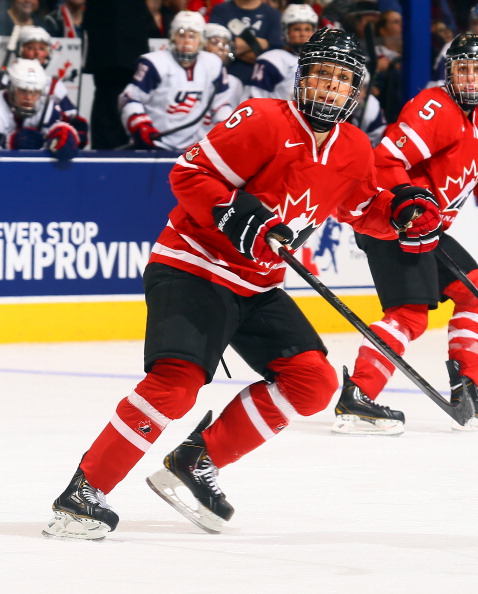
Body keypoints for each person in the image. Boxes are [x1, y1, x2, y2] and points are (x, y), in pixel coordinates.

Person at [42, 28, 441, 540]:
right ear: (301, 78)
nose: (329, 87)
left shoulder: (354, 149)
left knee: (313, 383)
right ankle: (83, 493)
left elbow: (365, 210)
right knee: (176, 384)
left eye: (341, 80)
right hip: (194, 266)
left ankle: (194, 460)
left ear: (355, 92)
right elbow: (189, 175)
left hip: (257, 284)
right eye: (320, 74)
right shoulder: (263, 119)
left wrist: (404, 212)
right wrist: (238, 215)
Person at [331, 32, 478, 436]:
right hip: (395, 220)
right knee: (410, 315)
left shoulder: (476, 118)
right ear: (448, 73)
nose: (469, 78)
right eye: (462, 68)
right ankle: (357, 396)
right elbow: (387, 158)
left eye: (477, 70)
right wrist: (411, 206)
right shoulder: (436, 107)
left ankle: (469, 383)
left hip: (430, 228)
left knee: (474, 290)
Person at [119, 10, 234, 153]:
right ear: (172, 38)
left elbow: (221, 105)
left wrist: (225, 130)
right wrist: (140, 125)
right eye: (181, 35)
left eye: (192, 36)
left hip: (192, 148)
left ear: (201, 40)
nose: (186, 42)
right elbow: (129, 99)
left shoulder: (213, 64)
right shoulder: (154, 63)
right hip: (154, 144)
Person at [82, 0, 151, 149]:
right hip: (105, 42)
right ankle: (104, 158)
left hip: (131, 33)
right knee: (107, 95)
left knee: (131, 94)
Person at [13, 26, 88, 148]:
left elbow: (70, 116)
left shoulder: (54, 85)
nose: (37, 53)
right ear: (20, 51)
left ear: (48, 53)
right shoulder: (6, 82)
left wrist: (74, 130)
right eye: (30, 48)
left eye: (42, 48)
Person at [0, 58, 81, 161]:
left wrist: (64, 135)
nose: (29, 98)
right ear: (11, 87)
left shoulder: (46, 107)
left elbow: (58, 129)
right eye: (23, 90)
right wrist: (9, 142)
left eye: (35, 92)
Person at [244, 3, 318, 100]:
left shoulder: (321, 61)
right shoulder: (271, 60)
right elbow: (254, 99)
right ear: (286, 31)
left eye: (308, 29)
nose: (303, 34)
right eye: (296, 29)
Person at [209, 0, 283, 85]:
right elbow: (216, 50)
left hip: (260, 85)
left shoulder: (273, 15)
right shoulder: (221, 10)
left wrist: (233, 49)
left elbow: (273, 60)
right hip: (224, 82)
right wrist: (260, 43)